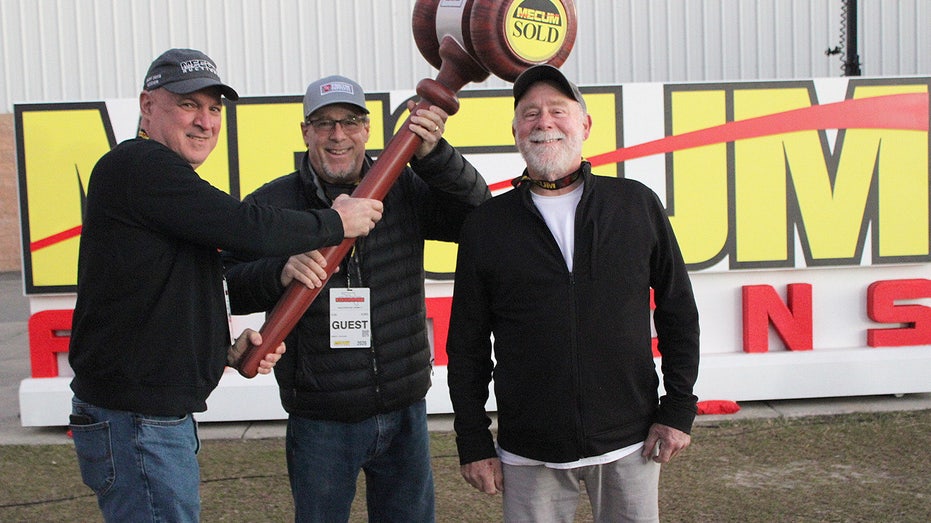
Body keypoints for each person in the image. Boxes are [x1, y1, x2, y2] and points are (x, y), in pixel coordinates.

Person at [67, 49, 384, 522]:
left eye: (214, 108)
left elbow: (171, 294)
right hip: (136, 420)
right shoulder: (139, 165)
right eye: (189, 104)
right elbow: (245, 226)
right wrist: (335, 221)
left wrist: (223, 350)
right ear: (147, 106)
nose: (205, 121)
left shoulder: (160, 188)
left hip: (150, 418)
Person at [222, 75, 490, 522]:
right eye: (323, 123)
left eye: (349, 121)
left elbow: (480, 218)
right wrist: (280, 270)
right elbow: (224, 282)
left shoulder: (403, 188)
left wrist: (435, 157)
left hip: (404, 410)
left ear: (367, 128)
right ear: (305, 131)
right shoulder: (273, 203)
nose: (338, 135)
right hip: (321, 418)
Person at [446, 64, 701, 522]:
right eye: (530, 113)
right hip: (528, 451)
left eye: (558, 111)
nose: (544, 122)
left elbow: (678, 309)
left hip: (631, 441)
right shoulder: (487, 224)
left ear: (584, 125)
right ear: (515, 131)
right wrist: (473, 439)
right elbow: (466, 344)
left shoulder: (635, 204)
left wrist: (678, 406)